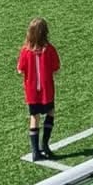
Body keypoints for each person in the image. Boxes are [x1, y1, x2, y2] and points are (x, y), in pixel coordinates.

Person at [18, 17, 60, 161]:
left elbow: (20, 69)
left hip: (31, 91)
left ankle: (35, 152)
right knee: (50, 112)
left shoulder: (25, 51)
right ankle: (45, 145)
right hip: (46, 89)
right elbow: (56, 68)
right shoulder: (49, 50)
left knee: (34, 117)